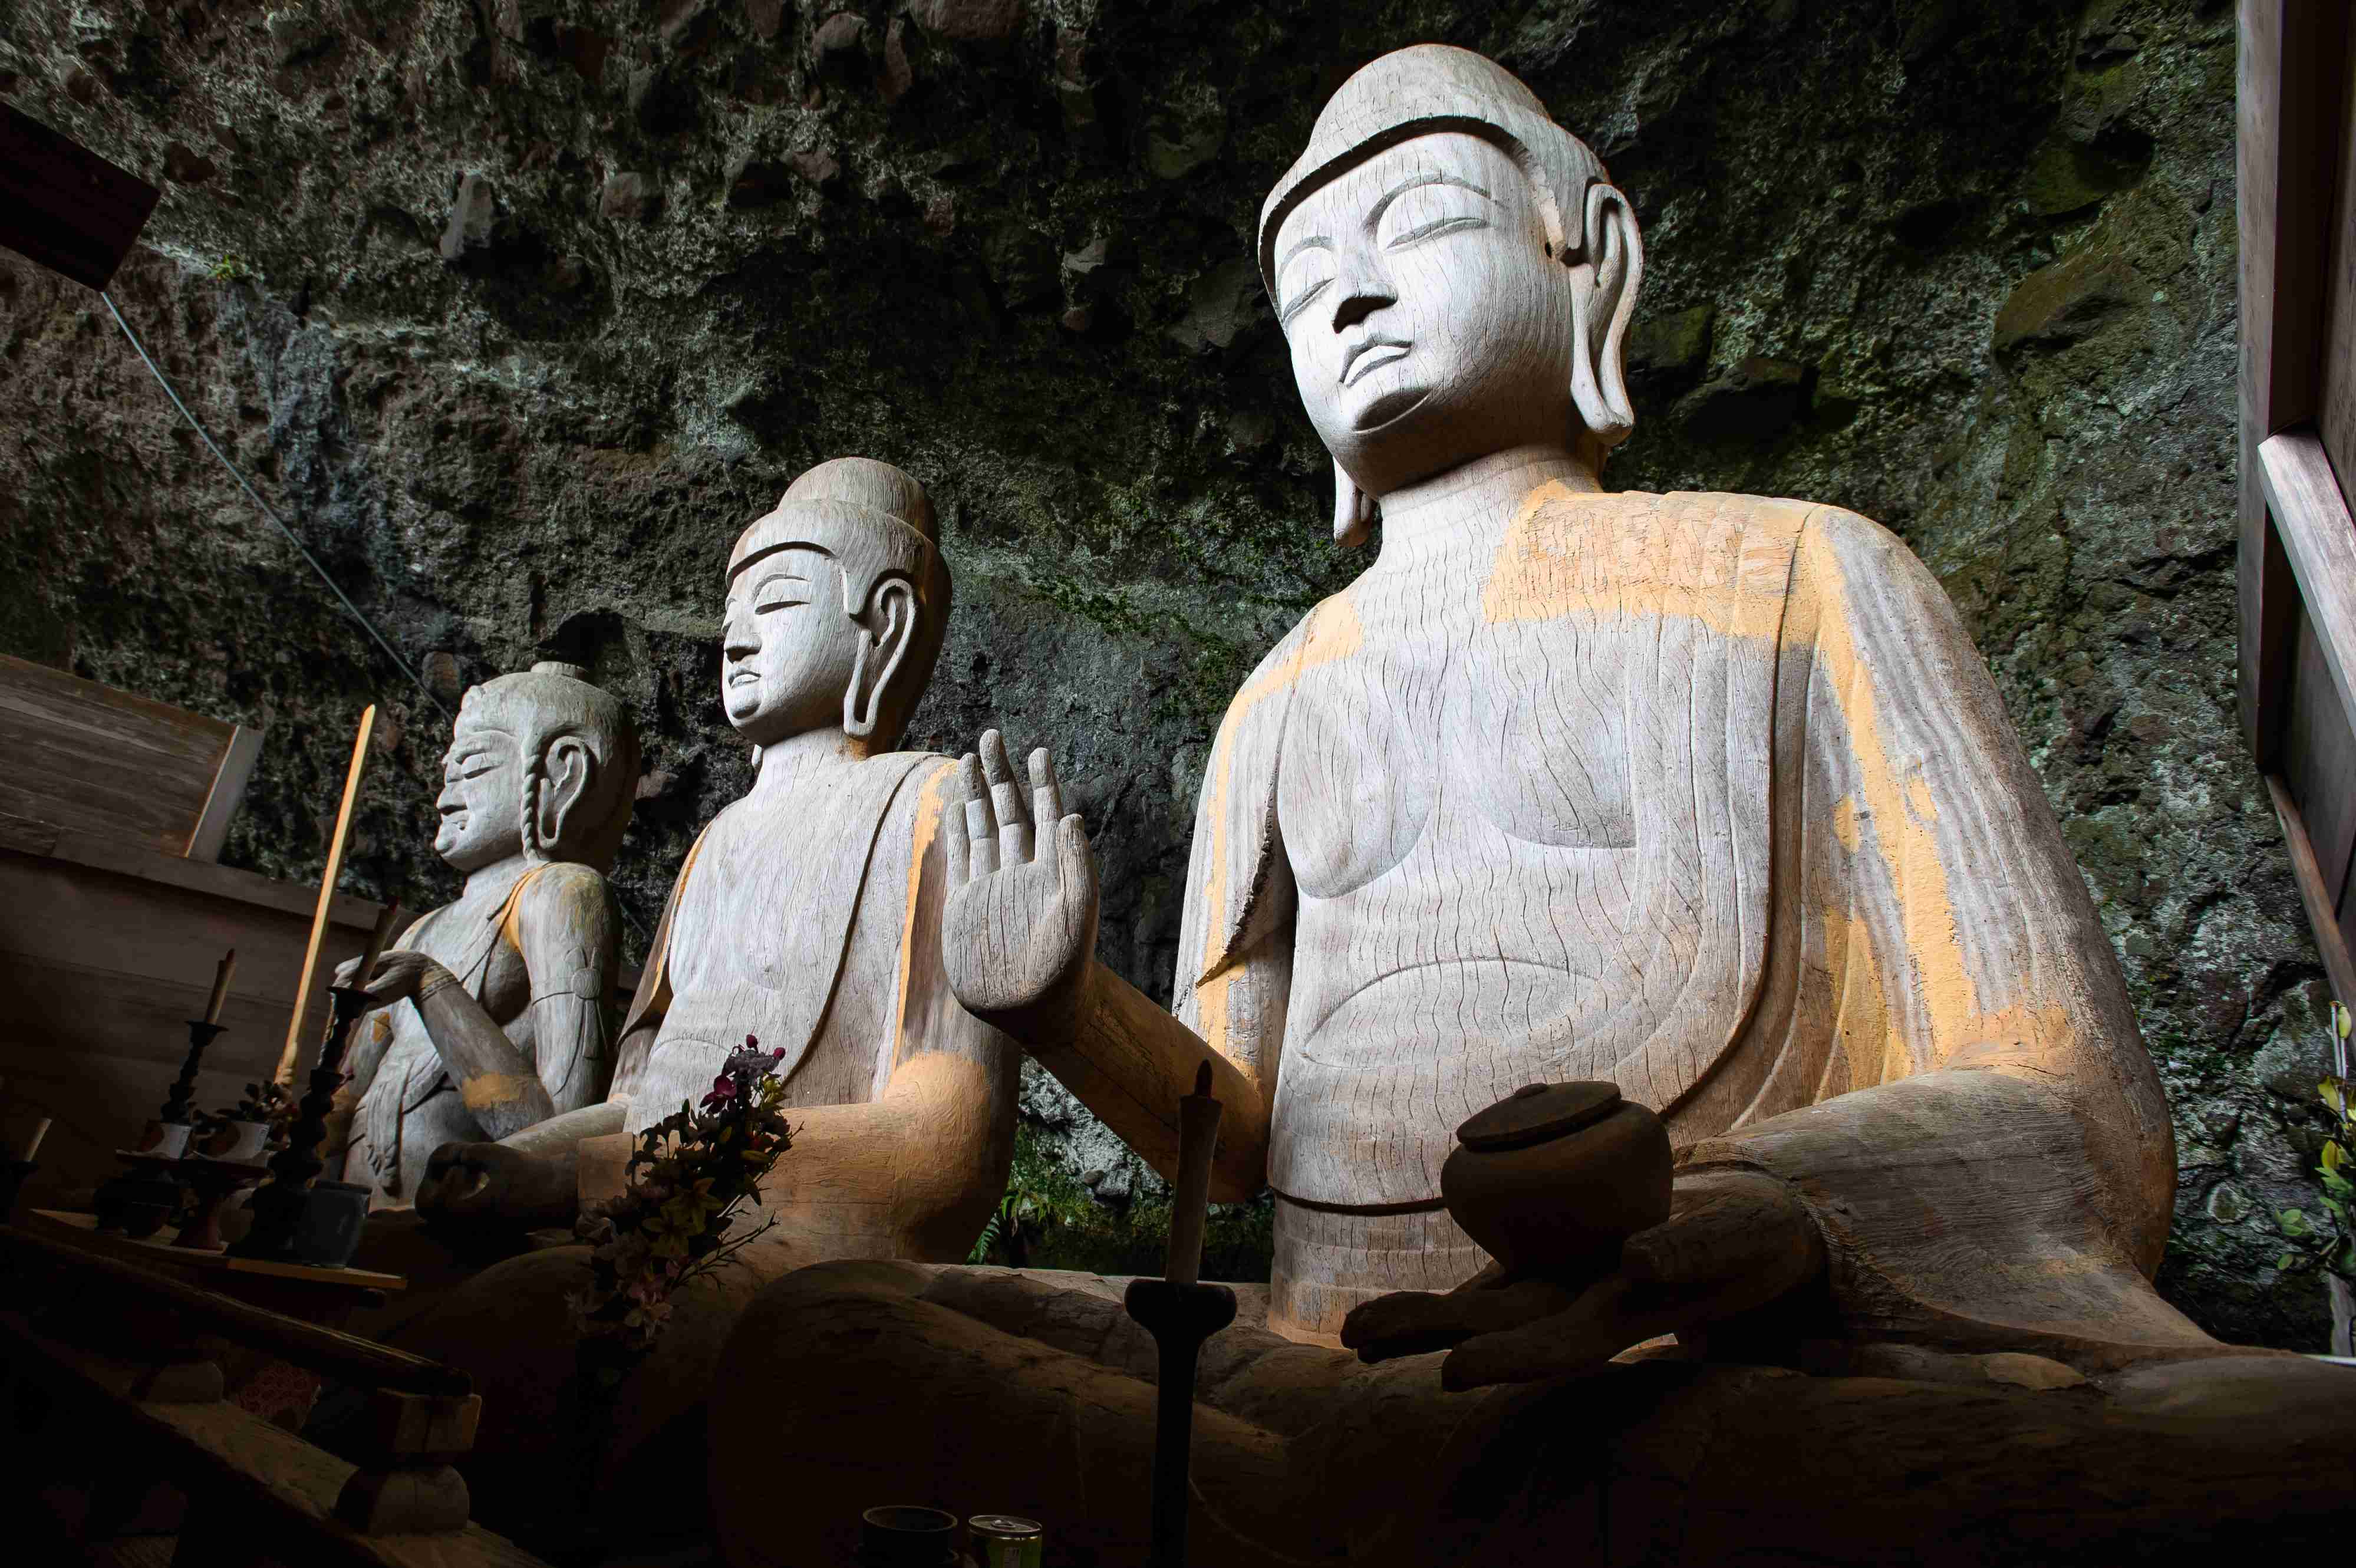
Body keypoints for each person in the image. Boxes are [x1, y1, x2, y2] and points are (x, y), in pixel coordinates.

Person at [709, 48, 2355, 1567]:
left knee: (2265, 1444)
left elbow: (2073, 1097)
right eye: (1300, 287)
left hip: (1689, 1361)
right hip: (1310, 1362)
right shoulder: (1274, 699)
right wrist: (1067, 1009)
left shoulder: (1804, 574)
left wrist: (1772, 1209)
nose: (1348, 295)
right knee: (824, 1337)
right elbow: (1243, 1123)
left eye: (1413, 224)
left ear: (1596, 259)